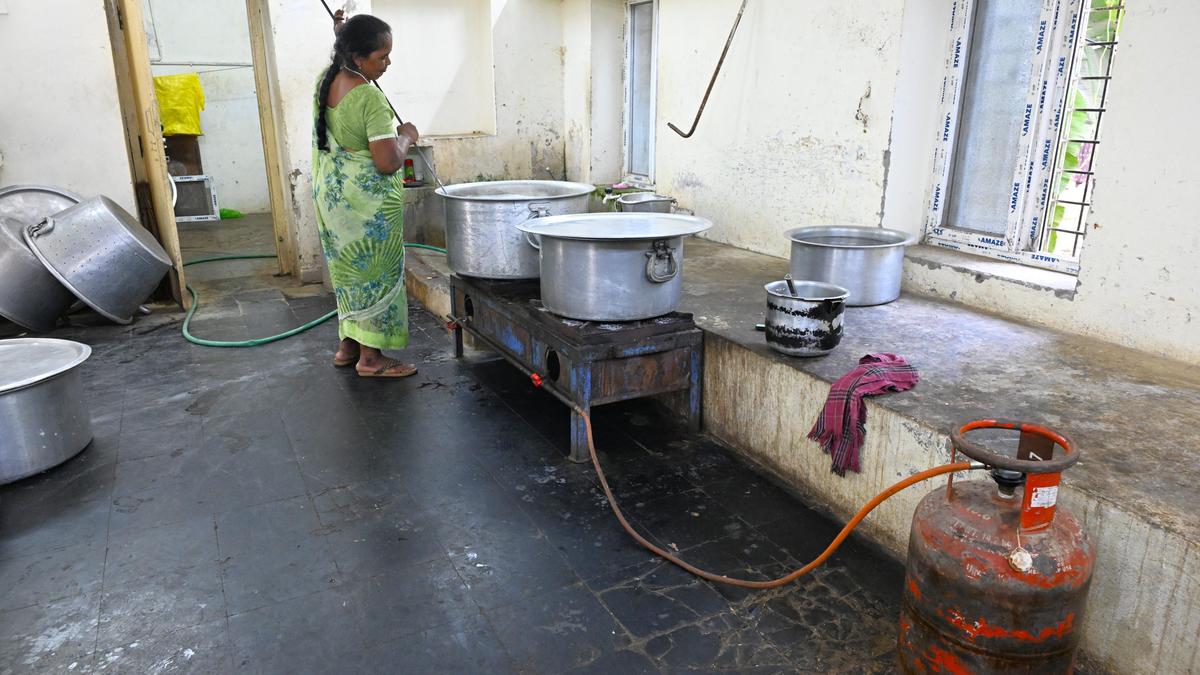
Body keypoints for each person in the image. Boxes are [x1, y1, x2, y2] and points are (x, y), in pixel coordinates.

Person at [312, 11, 420, 377]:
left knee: (349, 272)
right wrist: (407, 136)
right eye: (382, 57)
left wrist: (341, 34)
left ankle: (348, 346)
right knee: (374, 274)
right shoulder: (369, 99)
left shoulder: (325, 80)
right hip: (365, 207)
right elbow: (387, 162)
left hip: (333, 198)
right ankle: (371, 359)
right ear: (359, 58)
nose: (388, 63)